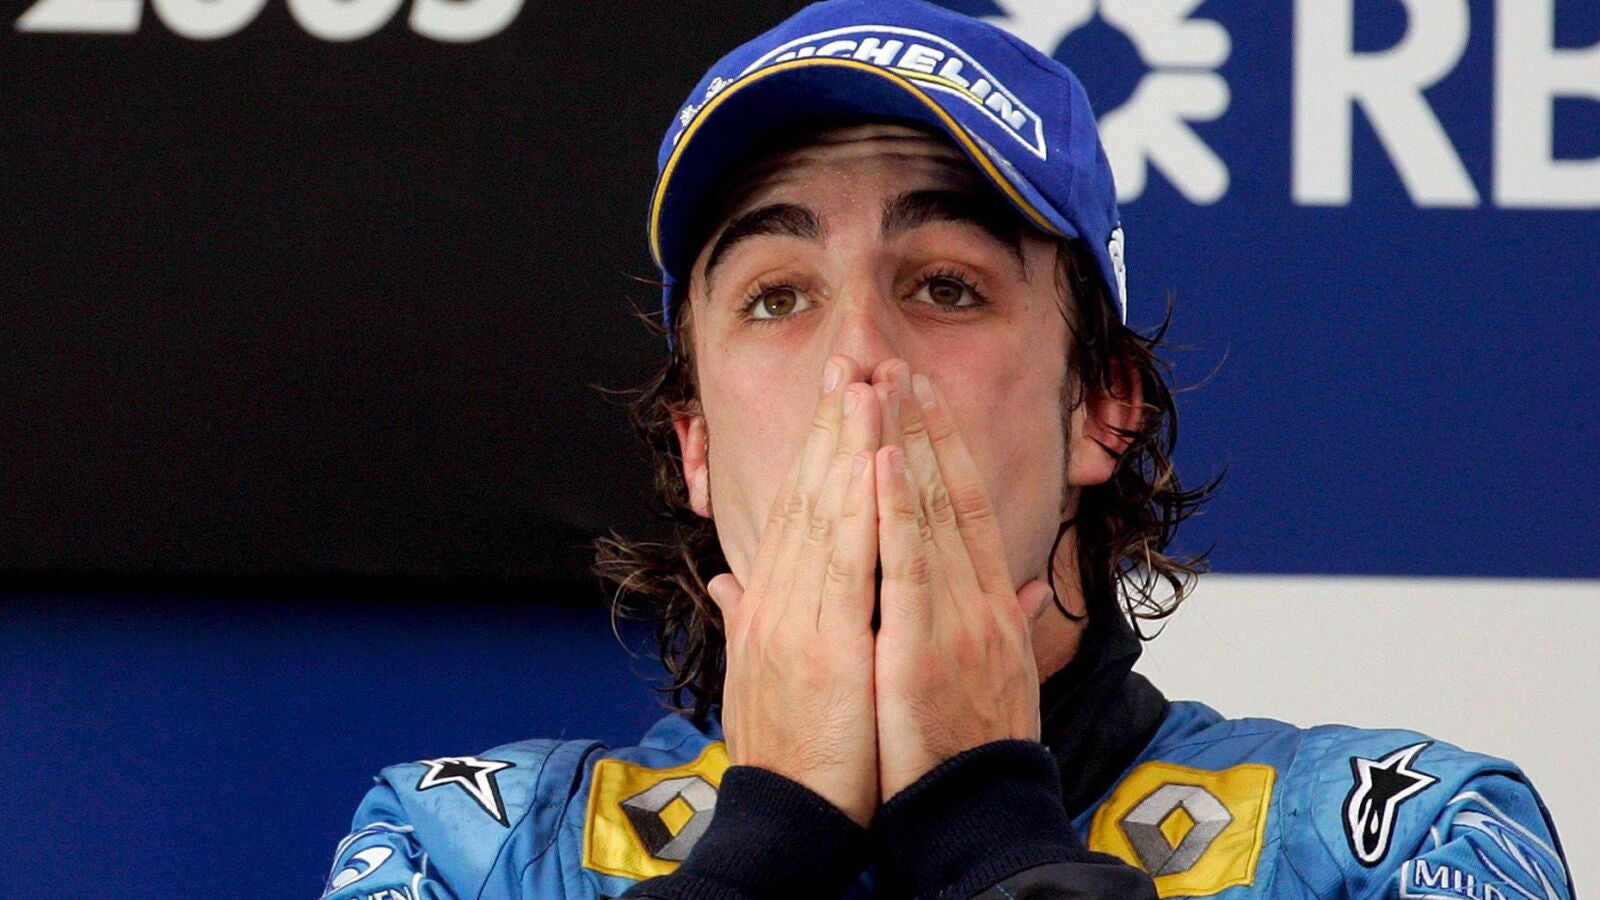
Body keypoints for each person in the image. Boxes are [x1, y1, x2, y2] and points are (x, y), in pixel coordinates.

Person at [320, 1, 1574, 898]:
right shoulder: (462, 848)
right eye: (775, 297)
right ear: (695, 445)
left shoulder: (1403, 843)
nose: (858, 360)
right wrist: (765, 848)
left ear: (1101, 406)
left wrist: (994, 838)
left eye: (946, 286)